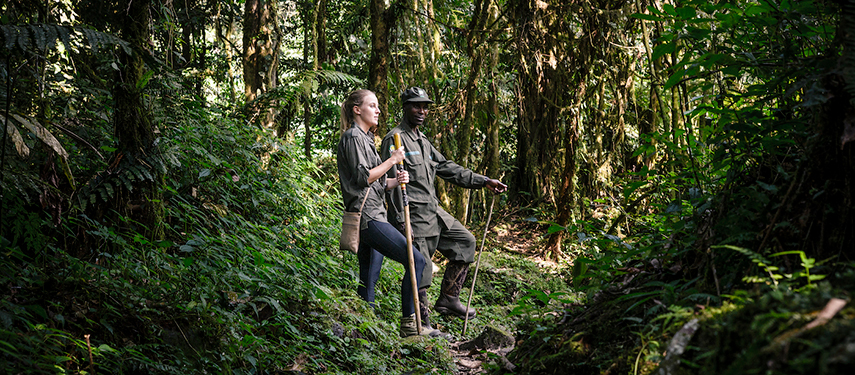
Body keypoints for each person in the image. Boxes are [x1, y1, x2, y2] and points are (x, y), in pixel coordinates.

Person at [381, 86, 507, 333]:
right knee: (421, 267)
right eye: (416, 106)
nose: (422, 111)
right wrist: (400, 221)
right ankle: (422, 325)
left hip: (434, 210)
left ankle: (449, 298)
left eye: (425, 107)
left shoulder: (423, 140)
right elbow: (391, 182)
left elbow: (448, 168)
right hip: (413, 213)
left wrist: (483, 181)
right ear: (405, 107)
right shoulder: (395, 139)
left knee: (465, 242)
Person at [336, 89, 434, 338]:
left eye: (378, 106)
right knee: (416, 261)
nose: (378, 110)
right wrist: (392, 160)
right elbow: (363, 177)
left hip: (374, 212)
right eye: (372, 106)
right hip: (368, 217)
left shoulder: (366, 138)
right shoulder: (353, 137)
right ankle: (409, 324)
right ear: (357, 110)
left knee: (369, 276)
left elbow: (376, 182)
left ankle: (364, 331)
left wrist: (395, 180)